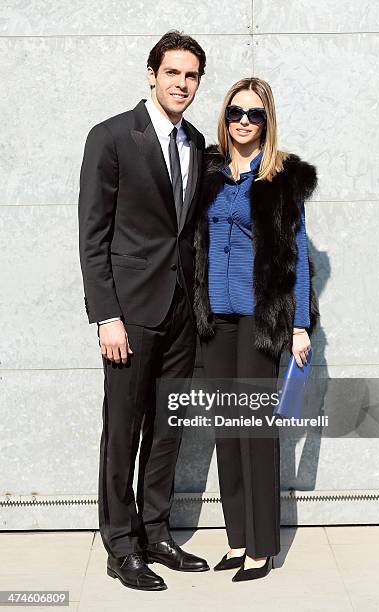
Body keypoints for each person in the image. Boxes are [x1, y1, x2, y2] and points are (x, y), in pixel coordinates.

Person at [78, 31, 209, 592]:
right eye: (174, 73)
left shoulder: (198, 141)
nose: (183, 84)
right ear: (151, 74)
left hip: (182, 309)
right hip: (130, 312)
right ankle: (120, 542)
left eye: (193, 76)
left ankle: (155, 530)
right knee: (124, 427)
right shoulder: (110, 138)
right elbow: (93, 235)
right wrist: (106, 315)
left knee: (168, 427)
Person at [194, 77, 319, 582]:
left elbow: (299, 254)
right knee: (227, 432)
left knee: (256, 433)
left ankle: (262, 547)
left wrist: (301, 326)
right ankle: (238, 537)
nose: (243, 121)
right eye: (235, 113)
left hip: (258, 321)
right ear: (224, 118)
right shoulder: (206, 171)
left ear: (268, 121)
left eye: (255, 114)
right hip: (214, 320)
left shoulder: (282, 178)